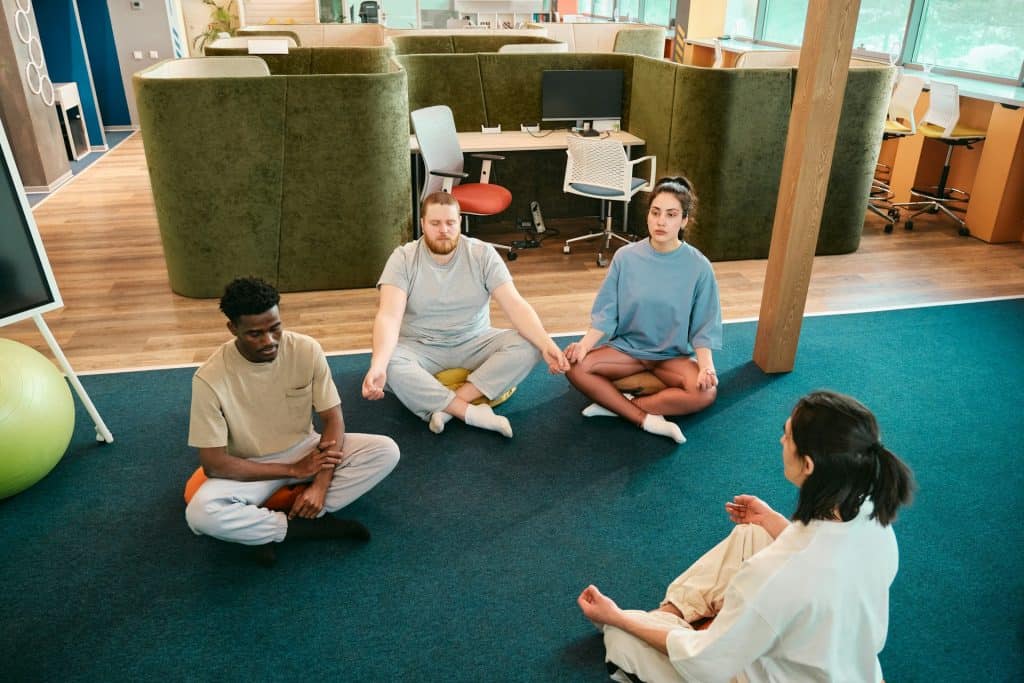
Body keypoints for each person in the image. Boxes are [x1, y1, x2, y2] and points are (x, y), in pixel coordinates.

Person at [577, 390, 916, 683]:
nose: (781, 440)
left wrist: (617, 616)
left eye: (787, 434)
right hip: (841, 665)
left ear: (809, 465)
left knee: (621, 639)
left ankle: (665, 621)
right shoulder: (872, 516)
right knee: (753, 531)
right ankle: (674, 615)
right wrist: (770, 519)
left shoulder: (777, 575)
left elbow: (704, 663)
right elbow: (819, 559)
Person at [186, 277, 400, 566]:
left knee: (385, 451)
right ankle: (302, 528)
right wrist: (292, 469)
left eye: (275, 328)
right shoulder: (209, 378)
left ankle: (264, 529)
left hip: (307, 449)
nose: (269, 341)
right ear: (232, 329)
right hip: (252, 465)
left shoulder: (306, 349)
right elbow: (214, 464)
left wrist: (321, 483)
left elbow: (333, 419)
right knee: (200, 512)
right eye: (255, 334)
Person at [362, 191, 569, 437]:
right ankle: (472, 413)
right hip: (421, 346)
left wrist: (546, 344)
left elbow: (514, 304)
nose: (444, 230)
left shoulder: (482, 254)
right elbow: (389, 316)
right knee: (390, 361)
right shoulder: (403, 258)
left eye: (450, 223)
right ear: (422, 224)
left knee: (530, 345)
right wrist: (378, 365)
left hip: (474, 340)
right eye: (435, 223)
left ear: (459, 221)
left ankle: (449, 408)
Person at [564, 177, 722, 444]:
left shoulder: (699, 266)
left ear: (684, 221)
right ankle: (644, 418)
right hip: (628, 350)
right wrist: (584, 345)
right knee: (574, 366)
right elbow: (606, 313)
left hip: (670, 356)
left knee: (706, 393)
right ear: (648, 215)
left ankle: (618, 406)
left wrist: (707, 368)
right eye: (655, 212)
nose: (661, 222)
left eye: (671, 215)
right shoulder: (625, 257)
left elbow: (704, 326)